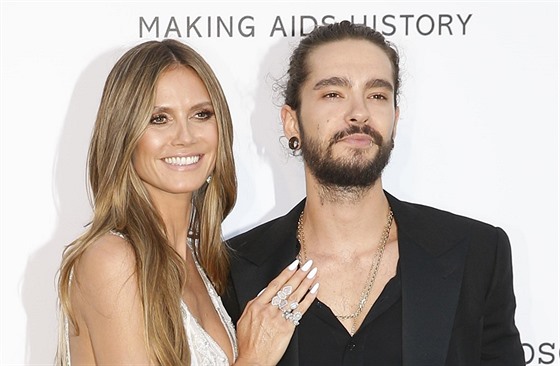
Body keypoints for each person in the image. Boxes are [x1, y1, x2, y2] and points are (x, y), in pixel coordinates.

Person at [223, 21, 524, 365]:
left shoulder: (477, 254)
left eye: (377, 95)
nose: (359, 113)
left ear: (394, 118)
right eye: (333, 94)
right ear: (292, 122)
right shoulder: (234, 269)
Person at [55, 39, 319, 365]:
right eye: (159, 118)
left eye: (201, 114)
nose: (185, 136)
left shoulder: (201, 263)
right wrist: (254, 358)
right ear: (123, 134)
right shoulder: (112, 260)